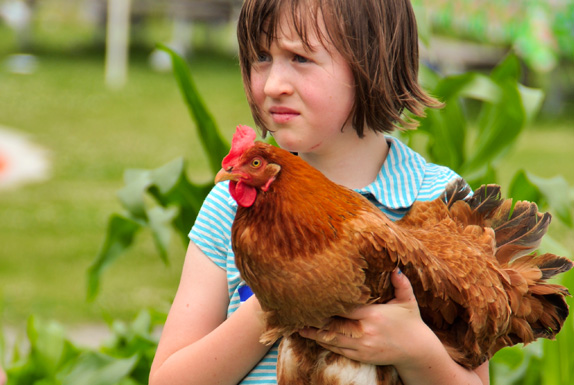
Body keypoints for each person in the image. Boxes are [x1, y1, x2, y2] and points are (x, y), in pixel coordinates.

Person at [149, 0, 490, 384]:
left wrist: (414, 349)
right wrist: (275, 302)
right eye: (261, 57)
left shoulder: (440, 200)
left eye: (300, 58)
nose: (274, 84)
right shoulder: (232, 207)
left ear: (370, 63)